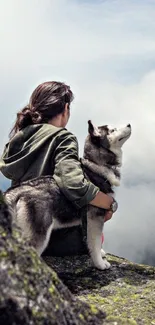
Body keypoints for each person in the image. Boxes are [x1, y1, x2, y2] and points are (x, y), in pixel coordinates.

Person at [0, 81, 116, 256]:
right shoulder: (63, 138)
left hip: (22, 233)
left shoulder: (19, 138)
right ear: (66, 108)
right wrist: (109, 203)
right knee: (96, 235)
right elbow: (73, 183)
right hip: (57, 241)